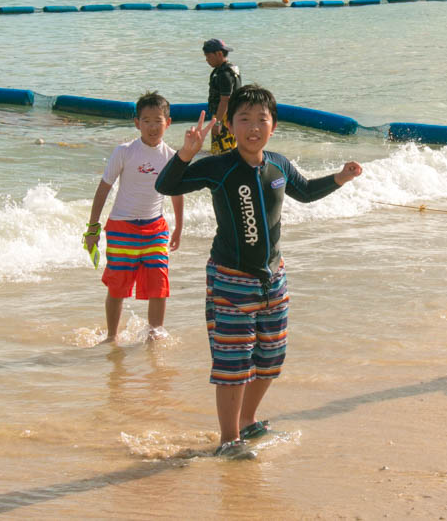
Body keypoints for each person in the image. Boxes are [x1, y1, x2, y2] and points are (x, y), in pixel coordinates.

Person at [155, 84, 362, 458]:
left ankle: (249, 421)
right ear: (230, 126)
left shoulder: (278, 165)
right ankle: (228, 439)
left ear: (274, 125)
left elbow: (306, 192)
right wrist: (185, 154)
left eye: (260, 120)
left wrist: (340, 178)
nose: (253, 127)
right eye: (244, 119)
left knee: (271, 358)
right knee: (233, 364)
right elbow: (167, 184)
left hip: (273, 277)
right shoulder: (219, 167)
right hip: (231, 280)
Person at [84, 91, 184, 344]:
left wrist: (179, 228)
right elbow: (104, 188)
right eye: (146, 120)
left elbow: (176, 194)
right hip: (121, 227)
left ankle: (155, 334)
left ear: (168, 123)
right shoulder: (124, 151)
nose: (152, 127)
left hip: (155, 227)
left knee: (159, 283)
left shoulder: (171, 157)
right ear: (137, 123)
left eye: (158, 121)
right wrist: (92, 228)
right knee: (117, 286)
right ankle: (111, 336)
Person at [203, 38, 242, 155]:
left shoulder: (224, 74)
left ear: (219, 54)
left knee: (221, 152)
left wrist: (218, 123)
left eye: (208, 56)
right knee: (230, 148)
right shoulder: (231, 69)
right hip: (231, 115)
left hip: (224, 117)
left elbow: (225, 100)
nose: (206, 60)